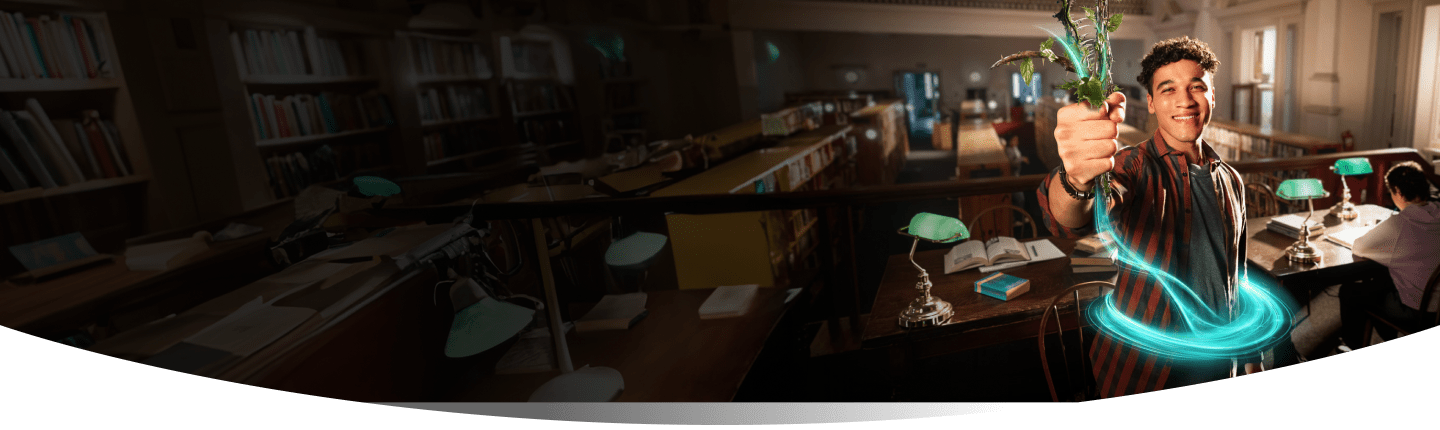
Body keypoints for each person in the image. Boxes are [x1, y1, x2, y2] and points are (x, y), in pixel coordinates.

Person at [1037, 36, 1298, 399]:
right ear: (1152, 103)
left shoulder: (1232, 180)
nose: (1185, 100)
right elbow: (1070, 218)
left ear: (1211, 96)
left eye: (1197, 86)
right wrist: (1076, 179)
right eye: (1168, 88)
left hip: (1220, 356)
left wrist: (1249, 353)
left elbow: (1235, 275)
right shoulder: (1132, 166)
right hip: (1148, 365)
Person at [1338, 161, 1440, 349]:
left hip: (1418, 311)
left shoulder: (1400, 224)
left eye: (1391, 193)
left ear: (1399, 193)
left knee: (1350, 292)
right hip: (1437, 306)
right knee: (1382, 280)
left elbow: (1359, 247)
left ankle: (1352, 345)